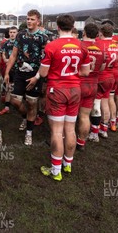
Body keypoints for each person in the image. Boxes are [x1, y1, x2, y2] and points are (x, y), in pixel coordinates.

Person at [38, 14, 90, 181]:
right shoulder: (82, 46)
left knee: (57, 131)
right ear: (73, 26)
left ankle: (55, 170)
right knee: (70, 129)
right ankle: (67, 164)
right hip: (75, 89)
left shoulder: (52, 46)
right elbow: (85, 72)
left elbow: (43, 73)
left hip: (57, 89)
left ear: (57, 27)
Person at [4, 9, 49, 146]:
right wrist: (6, 72)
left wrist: (37, 77)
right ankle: (25, 117)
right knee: (15, 101)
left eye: (32, 19)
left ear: (38, 21)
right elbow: (13, 55)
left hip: (35, 75)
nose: (29, 21)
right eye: (28, 19)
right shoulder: (21, 35)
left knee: (31, 103)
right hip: (19, 73)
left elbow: (46, 60)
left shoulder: (43, 37)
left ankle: (29, 132)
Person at [76, 23, 105, 150]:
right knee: (85, 115)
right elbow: (102, 67)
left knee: (71, 115)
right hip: (93, 84)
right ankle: (81, 142)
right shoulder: (101, 48)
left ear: (84, 33)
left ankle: (67, 138)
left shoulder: (79, 46)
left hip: (79, 83)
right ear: (97, 34)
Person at [96, 23, 118, 138]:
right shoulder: (115, 45)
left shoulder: (99, 43)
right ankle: (104, 128)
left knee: (96, 103)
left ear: (101, 33)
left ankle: (94, 128)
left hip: (101, 76)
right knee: (105, 102)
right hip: (111, 76)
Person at [0, 26, 18, 115]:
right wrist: (5, 59)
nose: (12, 34)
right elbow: (3, 53)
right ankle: (7, 107)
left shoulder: (20, 43)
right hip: (9, 69)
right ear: (8, 33)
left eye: (14, 32)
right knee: (9, 87)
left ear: (17, 33)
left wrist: (12, 61)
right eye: (11, 32)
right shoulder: (6, 43)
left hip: (18, 69)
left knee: (18, 89)